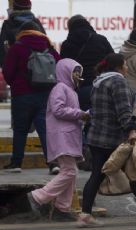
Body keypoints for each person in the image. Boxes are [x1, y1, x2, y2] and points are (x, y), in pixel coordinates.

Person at [77, 53, 136, 228]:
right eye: (125, 65)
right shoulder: (118, 82)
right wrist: (132, 131)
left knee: (97, 175)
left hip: (96, 137)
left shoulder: (99, 82)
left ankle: (85, 215)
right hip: (113, 139)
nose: (127, 68)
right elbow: (124, 111)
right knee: (134, 175)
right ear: (119, 67)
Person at [27, 58, 89, 221]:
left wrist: (83, 116)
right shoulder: (60, 88)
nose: (77, 75)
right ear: (65, 72)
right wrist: (80, 114)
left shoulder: (71, 91)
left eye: (79, 73)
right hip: (62, 137)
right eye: (75, 72)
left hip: (68, 137)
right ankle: (38, 197)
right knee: (70, 171)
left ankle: (62, 208)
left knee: (70, 172)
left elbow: (71, 112)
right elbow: (58, 109)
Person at [2, 21, 60, 174]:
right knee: (45, 129)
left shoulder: (17, 48)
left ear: (21, 32)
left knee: (20, 129)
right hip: (45, 95)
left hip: (22, 95)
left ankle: (16, 164)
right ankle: (53, 163)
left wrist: (16, 83)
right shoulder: (50, 48)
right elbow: (59, 68)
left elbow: (8, 74)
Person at [60, 15, 114, 171]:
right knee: (98, 121)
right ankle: (96, 156)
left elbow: (63, 66)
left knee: (79, 121)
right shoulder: (101, 40)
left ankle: (82, 153)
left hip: (78, 89)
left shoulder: (67, 44)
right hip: (100, 87)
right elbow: (112, 60)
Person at [0, 0, 45, 68]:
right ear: (30, 7)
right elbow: (47, 46)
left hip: (16, 69)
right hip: (37, 70)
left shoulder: (8, 24)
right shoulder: (36, 23)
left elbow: (3, 49)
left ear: (14, 7)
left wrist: (4, 67)